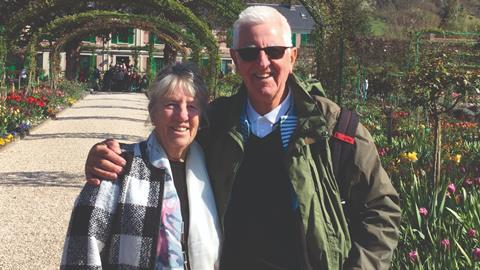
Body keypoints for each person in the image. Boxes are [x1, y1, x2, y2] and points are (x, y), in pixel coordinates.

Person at [84, 6, 401, 269]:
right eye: (250, 53)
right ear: (235, 61)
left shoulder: (335, 128)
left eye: (274, 51)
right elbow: (165, 146)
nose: (263, 63)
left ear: (293, 56)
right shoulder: (214, 124)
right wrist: (109, 156)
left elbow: (381, 209)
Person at [62, 63, 221, 269]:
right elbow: (82, 248)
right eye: (171, 104)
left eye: (191, 106)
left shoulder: (214, 166)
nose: (182, 116)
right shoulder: (119, 166)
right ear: (152, 112)